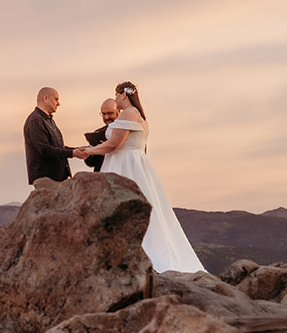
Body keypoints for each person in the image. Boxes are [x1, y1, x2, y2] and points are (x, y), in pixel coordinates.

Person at [85, 80, 206, 273]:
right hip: (138, 164)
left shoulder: (128, 113)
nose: (115, 100)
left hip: (124, 164)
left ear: (123, 95)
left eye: (116, 95)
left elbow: (114, 144)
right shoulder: (140, 116)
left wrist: (89, 150)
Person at [24, 86, 82, 185]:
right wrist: (73, 153)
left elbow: (58, 148)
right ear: (45, 99)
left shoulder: (48, 120)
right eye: (56, 99)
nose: (58, 104)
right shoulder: (35, 120)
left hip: (57, 179)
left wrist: (79, 150)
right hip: (47, 180)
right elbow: (45, 150)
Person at [83, 98, 120, 171]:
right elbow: (90, 163)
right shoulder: (98, 133)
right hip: (101, 177)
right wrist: (93, 152)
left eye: (110, 113)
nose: (106, 117)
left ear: (118, 111)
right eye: (103, 114)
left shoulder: (129, 131)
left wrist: (109, 148)